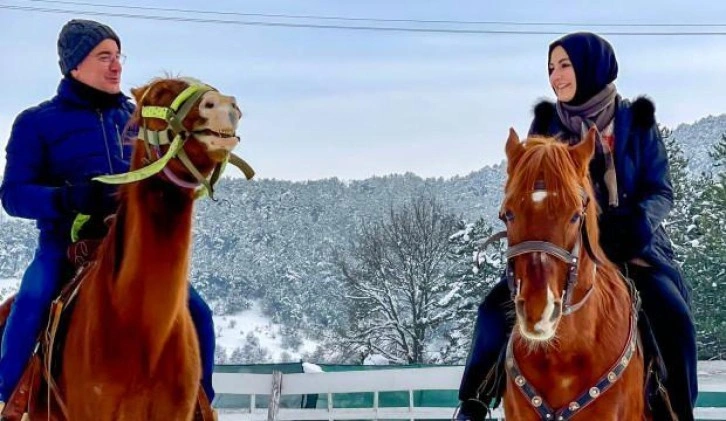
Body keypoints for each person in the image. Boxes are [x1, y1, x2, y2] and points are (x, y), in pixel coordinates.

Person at [456, 32, 697, 420]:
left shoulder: (636, 122)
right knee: (491, 309)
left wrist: (636, 222)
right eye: (551, 68)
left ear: (591, 68)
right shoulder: (545, 126)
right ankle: (474, 401)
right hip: (561, 248)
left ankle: (677, 409)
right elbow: (527, 191)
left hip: (632, 248)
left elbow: (660, 191)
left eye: (565, 65)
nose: (556, 76)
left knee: (673, 315)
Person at [0, 19, 217, 406]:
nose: (116, 65)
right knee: (32, 300)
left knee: (198, 311)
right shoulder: (36, 123)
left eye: (118, 56)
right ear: (74, 65)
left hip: (132, 250)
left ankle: (200, 403)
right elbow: (14, 196)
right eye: (104, 56)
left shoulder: (138, 119)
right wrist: (68, 198)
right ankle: (7, 400)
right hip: (64, 248)